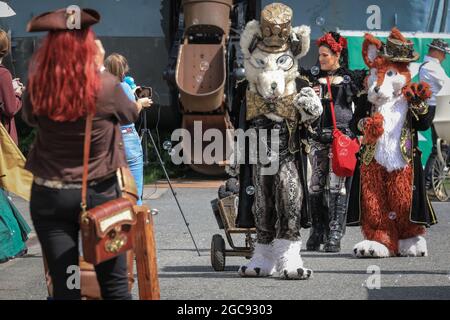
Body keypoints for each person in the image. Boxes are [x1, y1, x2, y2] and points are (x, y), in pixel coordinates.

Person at [22, 8, 147, 300]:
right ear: (89, 45)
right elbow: (129, 114)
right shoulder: (105, 86)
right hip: (99, 198)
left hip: (51, 199)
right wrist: (100, 68)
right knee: (114, 286)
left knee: (67, 287)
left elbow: (29, 118)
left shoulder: (39, 87)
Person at [303, 31, 367, 253]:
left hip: (342, 140)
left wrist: (356, 129)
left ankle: (335, 233)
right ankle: (317, 230)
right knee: (315, 185)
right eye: (319, 55)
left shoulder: (351, 79)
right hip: (318, 138)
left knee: (336, 187)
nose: (321, 59)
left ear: (337, 53)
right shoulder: (310, 78)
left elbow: (362, 106)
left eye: (325, 55)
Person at [104, 53, 152, 206]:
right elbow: (129, 114)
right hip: (127, 139)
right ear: (123, 71)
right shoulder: (124, 86)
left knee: (113, 190)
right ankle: (135, 223)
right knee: (134, 191)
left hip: (109, 140)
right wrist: (141, 103)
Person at [0, 28, 30, 264]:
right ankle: (13, 241)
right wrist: (17, 93)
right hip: (3, 139)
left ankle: (17, 236)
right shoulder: (3, 73)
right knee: (3, 191)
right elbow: (10, 109)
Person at [420, 39, 450, 192]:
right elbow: (447, 84)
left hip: (439, 108)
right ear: (437, 52)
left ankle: (429, 183)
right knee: (441, 147)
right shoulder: (431, 67)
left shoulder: (432, 66)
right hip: (437, 110)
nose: (444, 57)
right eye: (444, 53)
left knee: (443, 147)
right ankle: (427, 184)